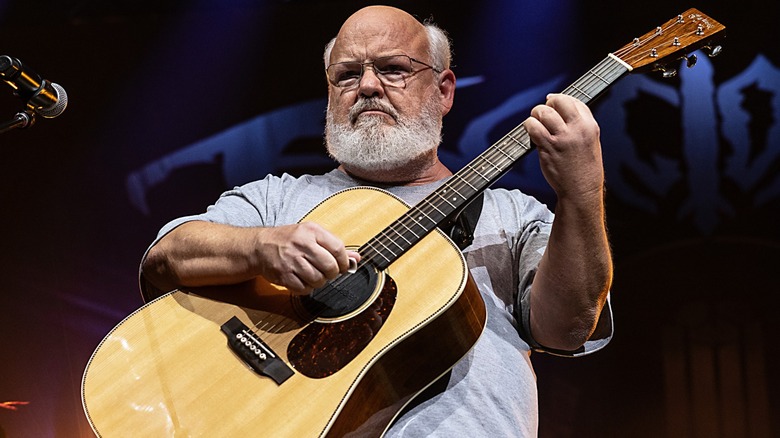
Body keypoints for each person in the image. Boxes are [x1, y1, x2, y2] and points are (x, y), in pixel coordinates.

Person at [140, 5, 613, 436]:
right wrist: (261, 247)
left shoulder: (515, 214)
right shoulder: (278, 197)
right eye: (347, 75)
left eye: (393, 69)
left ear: (444, 90)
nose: (367, 86)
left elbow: (568, 328)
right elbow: (165, 258)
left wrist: (582, 192)